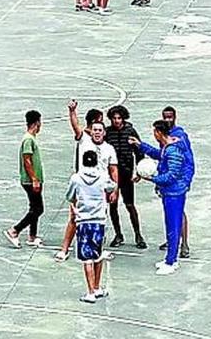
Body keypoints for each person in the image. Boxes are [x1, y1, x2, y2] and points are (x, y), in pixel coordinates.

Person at [55, 102, 118, 262]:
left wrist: (114, 190)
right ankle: (64, 249)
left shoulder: (109, 149)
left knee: (101, 220)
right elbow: (76, 126)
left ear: (104, 133)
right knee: (74, 217)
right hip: (82, 186)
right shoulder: (84, 139)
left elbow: (113, 170)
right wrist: (72, 111)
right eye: (95, 130)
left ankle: (98, 250)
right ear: (91, 130)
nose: (97, 133)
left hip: (100, 188)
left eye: (100, 130)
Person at [130, 120, 192, 275]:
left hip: (174, 193)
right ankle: (170, 258)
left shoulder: (173, 151)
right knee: (170, 225)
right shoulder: (167, 148)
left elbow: (171, 176)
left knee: (173, 226)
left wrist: (151, 178)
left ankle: (171, 261)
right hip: (169, 192)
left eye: (154, 132)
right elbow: (159, 155)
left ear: (158, 132)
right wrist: (141, 145)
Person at [65, 149, 116, 303]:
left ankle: (90, 292)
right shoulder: (102, 177)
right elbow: (112, 186)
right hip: (99, 220)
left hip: (83, 221)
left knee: (87, 257)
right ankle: (97, 287)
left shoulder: (76, 178)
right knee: (98, 254)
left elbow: (69, 196)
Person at [104, 105, 146, 249]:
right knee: (113, 205)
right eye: (114, 118)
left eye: (119, 118)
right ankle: (118, 234)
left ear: (123, 118)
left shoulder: (130, 131)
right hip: (111, 175)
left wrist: (139, 171)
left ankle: (138, 234)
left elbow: (139, 151)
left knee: (130, 205)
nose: (116, 121)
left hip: (127, 174)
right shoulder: (107, 132)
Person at [157, 105, 193, 259]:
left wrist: (185, 180)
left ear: (175, 117)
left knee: (179, 212)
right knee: (172, 213)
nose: (167, 119)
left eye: (170, 117)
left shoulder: (179, 136)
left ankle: (184, 243)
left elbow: (185, 160)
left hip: (179, 182)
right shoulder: (166, 136)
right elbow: (162, 157)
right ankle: (173, 240)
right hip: (170, 183)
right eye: (165, 117)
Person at [5, 110, 45, 248]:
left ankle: (32, 236)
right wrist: (34, 178)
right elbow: (27, 160)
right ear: (37, 123)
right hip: (30, 180)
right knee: (38, 209)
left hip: (34, 179)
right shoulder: (28, 139)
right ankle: (15, 230)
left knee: (34, 208)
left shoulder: (31, 138)